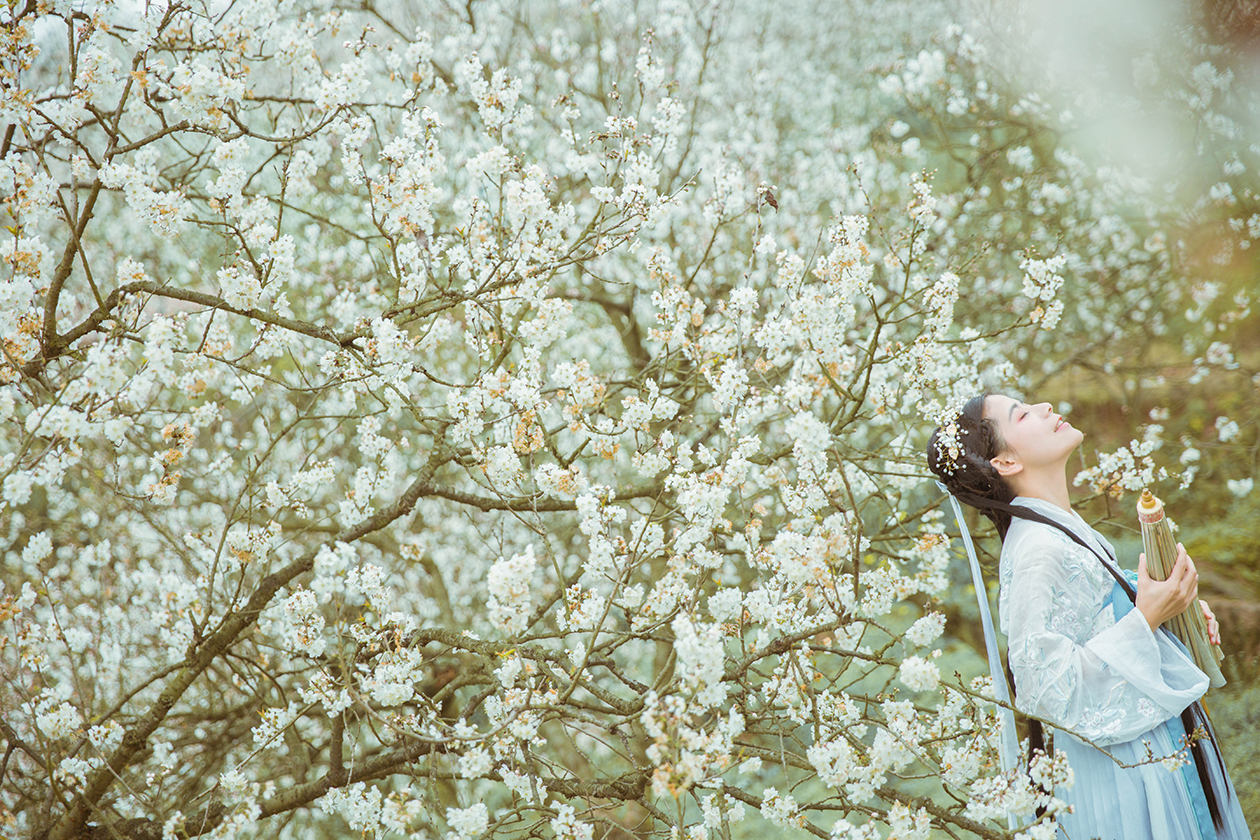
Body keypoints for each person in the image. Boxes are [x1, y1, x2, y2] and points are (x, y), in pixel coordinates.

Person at [927, 394, 1252, 840]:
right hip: (1123, 768)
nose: (1043, 406)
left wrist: (1176, 620)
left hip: (1148, 742)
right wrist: (1146, 619)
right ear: (1003, 461)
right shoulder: (1037, 551)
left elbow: (1097, 624)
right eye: (1021, 414)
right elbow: (1043, 686)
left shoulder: (1058, 529)